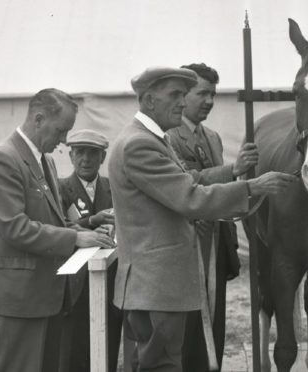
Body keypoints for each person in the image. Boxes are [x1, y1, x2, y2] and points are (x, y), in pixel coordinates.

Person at [108, 66, 297, 372]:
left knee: (156, 361)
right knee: (161, 365)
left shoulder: (153, 139)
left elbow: (186, 183)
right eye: (175, 95)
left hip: (157, 285)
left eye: (184, 94)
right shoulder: (139, 145)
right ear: (149, 100)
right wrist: (252, 186)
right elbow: (190, 196)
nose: (182, 103)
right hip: (157, 286)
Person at [0, 88, 115, 372]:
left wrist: (86, 231)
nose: (64, 141)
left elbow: (55, 219)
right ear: (38, 119)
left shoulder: (45, 161)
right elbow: (15, 228)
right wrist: (75, 237)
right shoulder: (3, 159)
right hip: (17, 298)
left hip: (45, 295)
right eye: (61, 131)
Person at [166, 63, 256, 371]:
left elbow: (221, 190)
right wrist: (234, 170)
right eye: (202, 93)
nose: (209, 101)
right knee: (190, 327)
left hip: (215, 242)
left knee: (214, 322)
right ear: (183, 94)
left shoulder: (213, 137)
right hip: (187, 247)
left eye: (213, 94)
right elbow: (186, 183)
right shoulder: (169, 138)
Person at [58, 129, 123, 372]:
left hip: (111, 281)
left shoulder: (113, 187)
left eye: (92, 154)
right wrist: (92, 222)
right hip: (75, 285)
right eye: (80, 153)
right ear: (71, 157)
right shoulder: (61, 188)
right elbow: (60, 225)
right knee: (73, 349)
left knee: (108, 344)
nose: (86, 159)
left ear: (102, 158)